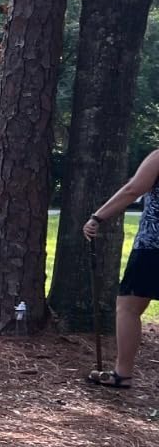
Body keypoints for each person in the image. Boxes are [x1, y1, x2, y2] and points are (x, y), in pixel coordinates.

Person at [82, 149, 159, 388]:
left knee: (128, 306)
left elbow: (133, 189)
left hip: (153, 246)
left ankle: (122, 373)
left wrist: (98, 217)